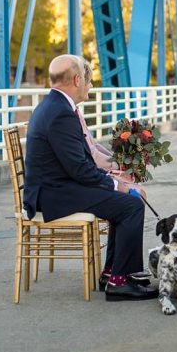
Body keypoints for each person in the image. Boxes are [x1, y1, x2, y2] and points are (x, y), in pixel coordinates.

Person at [24, 55, 157, 301]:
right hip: (56, 194)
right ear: (76, 79)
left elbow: (79, 163)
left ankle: (112, 273)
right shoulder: (61, 113)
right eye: (87, 80)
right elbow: (80, 169)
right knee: (131, 205)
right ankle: (120, 282)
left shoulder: (53, 106)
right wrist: (117, 184)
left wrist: (114, 179)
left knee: (122, 202)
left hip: (57, 186)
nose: (89, 85)